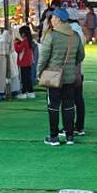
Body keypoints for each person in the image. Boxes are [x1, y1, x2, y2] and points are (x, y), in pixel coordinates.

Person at [36, 8, 85, 145]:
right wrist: (71, 65)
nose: (51, 20)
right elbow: (81, 55)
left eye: (52, 17)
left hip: (53, 78)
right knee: (69, 106)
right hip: (69, 78)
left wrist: (39, 72)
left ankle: (54, 137)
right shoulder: (75, 35)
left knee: (53, 106)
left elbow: (43, 58)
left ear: (57, 19)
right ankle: (70, 136)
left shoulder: (51, 36)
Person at [67, 13, 88, 136]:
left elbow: (77, 55)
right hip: (79, 71)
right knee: (78, 100)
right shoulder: (79, 32)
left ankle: (71, 127)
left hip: (73, 71)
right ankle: (79, 126)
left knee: (70, 100)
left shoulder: (73, 33)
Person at [14, 25, 36, 99]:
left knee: (24, 78)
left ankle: (24, 92)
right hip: (28, 62)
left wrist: (15, 43)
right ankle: (30, 92)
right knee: (28, 78)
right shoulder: (29, 41)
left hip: (23, 63)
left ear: (23, 34)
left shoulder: (24, 42)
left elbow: (18, 50)